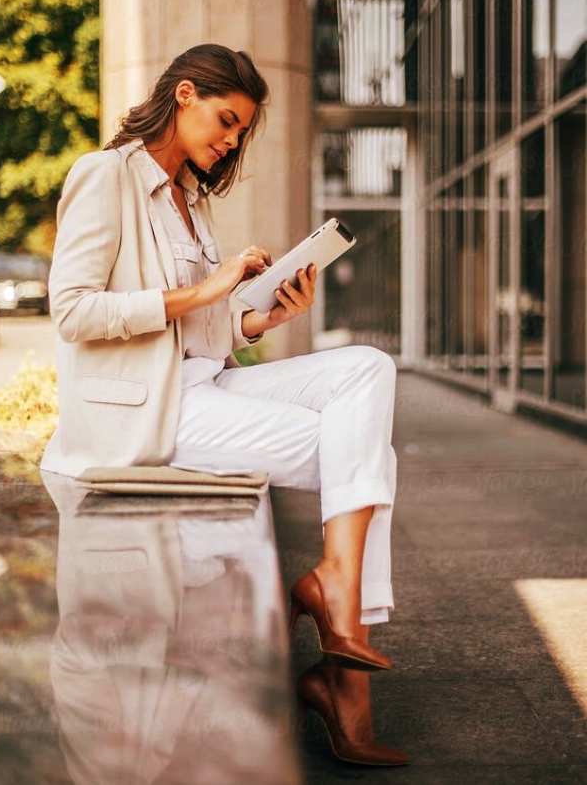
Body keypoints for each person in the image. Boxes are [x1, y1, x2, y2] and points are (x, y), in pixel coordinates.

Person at [41, 43, 409, 767]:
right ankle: (342, 663)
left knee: (366, 370)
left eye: (241, 131)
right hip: (148, 411)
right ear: (183, 95)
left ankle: (335, 594)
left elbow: (201, 332)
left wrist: (257, 317)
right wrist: (211, 289)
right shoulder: (104, 177)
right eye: (226, 120)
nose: (232, 140)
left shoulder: (193, 202)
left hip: (205, 382)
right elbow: (74, 311)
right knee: (367, 455)